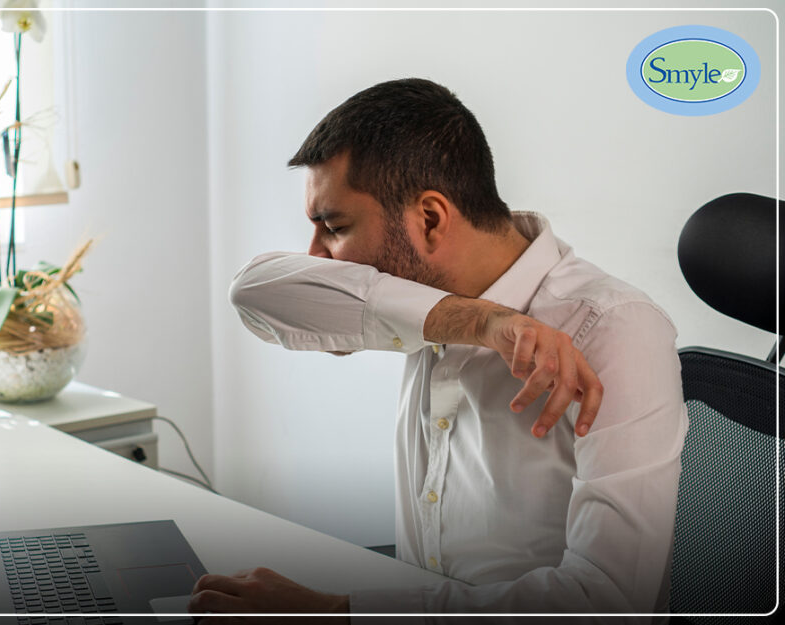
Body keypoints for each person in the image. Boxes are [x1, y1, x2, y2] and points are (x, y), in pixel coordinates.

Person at [190, 78, 687, 621]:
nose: (319, 258)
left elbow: (608, 602)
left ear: (428, 219)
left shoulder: (614, 329)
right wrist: (482, 322)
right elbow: (253, 291)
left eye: (334, 227)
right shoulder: (425, 306)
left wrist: (335, 613)